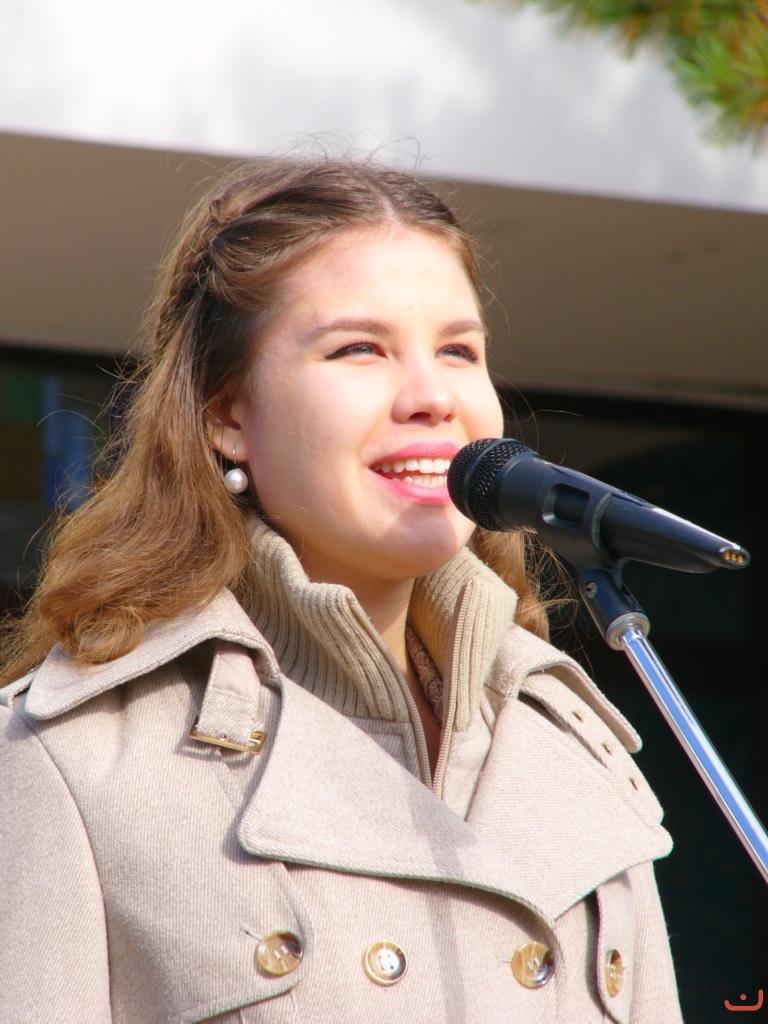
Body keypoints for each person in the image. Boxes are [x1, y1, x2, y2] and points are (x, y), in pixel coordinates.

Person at [0, 155, 683, 1023]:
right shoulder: (71, 758)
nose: (432, 396)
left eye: (458, 351)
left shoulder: (576, 752)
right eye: (359, 348)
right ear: (227, 416)